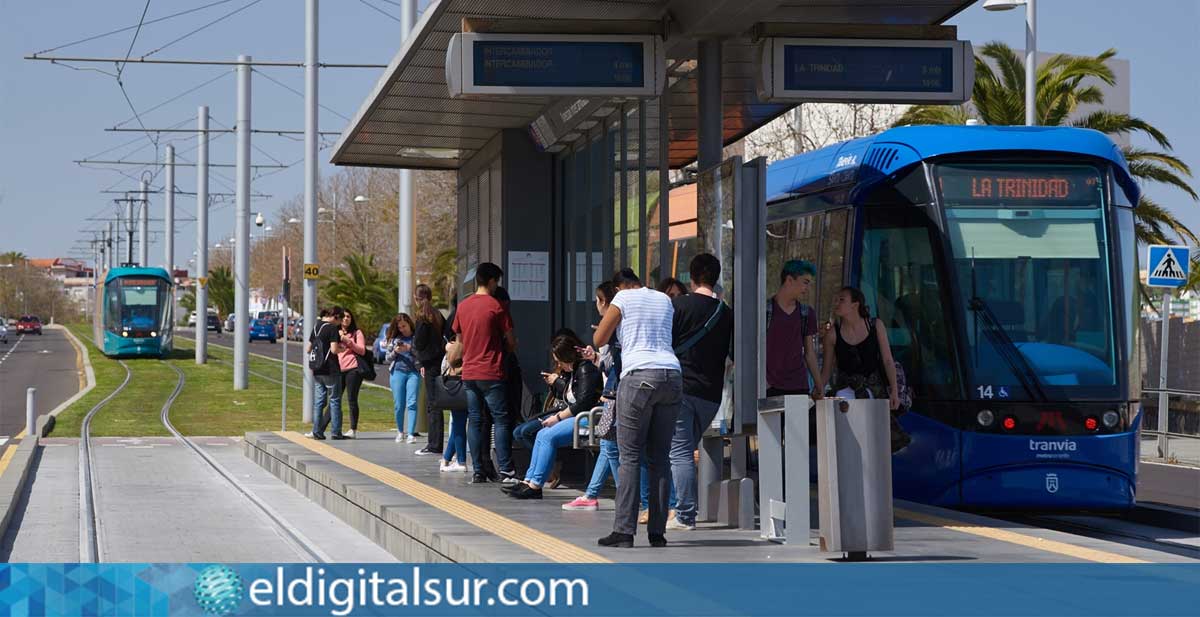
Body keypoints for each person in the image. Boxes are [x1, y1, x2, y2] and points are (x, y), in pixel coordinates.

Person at [593, 268, 681, 548]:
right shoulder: (663, 299)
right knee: (660, 457)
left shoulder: (623, 299)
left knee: (629, 455)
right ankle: (657, 531)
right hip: (671, 375)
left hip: (639, 376)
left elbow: (599, 340)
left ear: (619, 287)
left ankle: (623, 531)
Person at [667, 253, 733, 531]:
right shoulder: (726, 312)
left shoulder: (678, 306)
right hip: (711, 394)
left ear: (691, 277)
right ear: (715, 277)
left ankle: (684, 514)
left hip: (681, 389)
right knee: (683, 450)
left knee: (680, 452)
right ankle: (678, 508)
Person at [507, 334, 602, 499]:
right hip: (577, 415)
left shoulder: (585, 369)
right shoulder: (575, 371)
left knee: (548, 436)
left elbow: (583, 403)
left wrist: (557, 418)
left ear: (566, 357)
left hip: (587, 417)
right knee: (541, 434)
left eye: (559, 360)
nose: (558, 364)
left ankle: (536, 484)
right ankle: (530, 480)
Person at [452, 262, 518, 485]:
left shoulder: (463, 306)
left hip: (469, 372)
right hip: (491, 370)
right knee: (501, 419)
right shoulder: (496, 306)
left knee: (475, 419)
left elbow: (458, 343)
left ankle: (478, 470)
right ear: (491, 281)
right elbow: (510, 341)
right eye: (496, 281)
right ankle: (507, 470)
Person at [563, 282, 622, 511]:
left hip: (613, 396)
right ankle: (593, 494)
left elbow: (613, 366)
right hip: (613, 395)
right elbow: (608, 364)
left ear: (605, 302)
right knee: (608, 445)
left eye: (598, 300)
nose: (596, 305)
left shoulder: (611, 328)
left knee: (609, 445)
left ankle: (626, 497)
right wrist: (595, 358)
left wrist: (600, 355)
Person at [820, 286, 900, 411]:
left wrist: (894, 392)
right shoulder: (832, 334)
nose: (836, 303)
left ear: (855, 305)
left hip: (874, 392)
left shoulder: (876, 326)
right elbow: (826, 370)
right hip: (844, 395)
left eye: (841, 300)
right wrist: (818, 390)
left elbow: (888, 361)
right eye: (836, 300)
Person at [766, 260, 824, 398]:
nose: (807, 288)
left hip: (799, 386)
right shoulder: (765, 310)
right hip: (769, 387)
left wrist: (819, 385)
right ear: (789, 280)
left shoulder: (806, 313)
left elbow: (809, 353)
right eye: (805, 282)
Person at [413, 284, 446, 456]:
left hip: (429, 363)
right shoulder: (438, 315)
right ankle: (436, 441)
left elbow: (418, 342)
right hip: (439, 361)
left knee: (432, 404)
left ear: (416, 298)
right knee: (437, 403)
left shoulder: (422, 317)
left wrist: (419, 359)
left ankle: (434, 444)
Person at [307, 307, 344, 440]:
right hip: (331, 368)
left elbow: (308, 348)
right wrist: (342, 349)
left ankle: (317, 431)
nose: (340, 323)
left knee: (319, 401)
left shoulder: (317, 326)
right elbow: (334, 350)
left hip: (317, 369)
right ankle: (336, 432)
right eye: (340, 320)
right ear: (335, 317)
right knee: (334, 400)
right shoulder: (332, 328)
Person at [385, 313, 422, 443]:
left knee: (412, 403)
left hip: (413, 373)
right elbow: (387, 358)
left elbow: (421, 355)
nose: (402, 329)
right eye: (399, 327)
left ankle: (411, 433)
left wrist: (409, 348)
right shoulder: (395, 339)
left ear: (409, 324)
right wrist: (395, 351)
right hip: (397, 372)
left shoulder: (416, 338)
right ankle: (400, 431)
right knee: (399, 405)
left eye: (404, 326)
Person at [336, 309, 367, 438]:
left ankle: (353, 429)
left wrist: (347, 341)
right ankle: (320, 428)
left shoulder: (357, 333)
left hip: (353, 369)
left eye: (348, 316)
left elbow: (362, 350)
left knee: (352, 399)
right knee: (334, 399)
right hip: (338, 369)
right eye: (343, 317)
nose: (345, 319)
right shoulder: (334, 331)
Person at [440, 337, 468, 473]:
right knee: (461, 423)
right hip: (481, 380)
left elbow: (452, 359)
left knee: (458, 422)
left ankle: (461, 460)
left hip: (460, 384)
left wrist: (450, 348)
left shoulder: (461, 339)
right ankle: (447, 458)